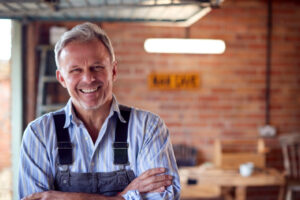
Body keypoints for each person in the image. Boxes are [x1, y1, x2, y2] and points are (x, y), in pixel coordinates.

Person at [18, 22, 180, 200]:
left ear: (114, 70)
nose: (88, 78)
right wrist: (124, 196)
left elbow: (165, 196)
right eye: (76, 70)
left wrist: (66, 197)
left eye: (97, 67)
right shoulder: (39, 134)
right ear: (61, 78)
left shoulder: (148, 127)